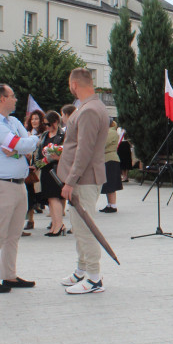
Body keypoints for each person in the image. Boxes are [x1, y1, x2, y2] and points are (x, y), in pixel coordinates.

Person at [0, 84, 39, 294]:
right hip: (0, 185)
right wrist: (23, 146)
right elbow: (22, 145)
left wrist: (20, 147)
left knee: (13, 234)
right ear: (2, 99)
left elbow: (27, 143)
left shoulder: (12, 121)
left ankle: (9, 275)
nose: (16, 99)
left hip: (19, 183)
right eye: (12, 96)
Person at [57, 69, 109, 294]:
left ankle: (95, 278)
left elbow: (84, 150)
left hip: (84, 179)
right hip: (83, 178)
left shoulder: (88, 110)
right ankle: (82, 269)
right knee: (79, 227)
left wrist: (70, 180)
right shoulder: (90, 107)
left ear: (74, 84)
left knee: (84, 227)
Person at [36, 111, 67, 236]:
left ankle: (59, 225)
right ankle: (55, 224)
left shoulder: (62, 135)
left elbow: (67, 152)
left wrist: (55, 157)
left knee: (55, 197)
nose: (47, 127)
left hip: (56, 169)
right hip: (45, 169)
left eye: (48, 124)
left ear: (55, 122)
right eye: (45, 124)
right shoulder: (44, 134)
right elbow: (39, 150)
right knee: (50, 198)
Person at [23, 109, 46, 232]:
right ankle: (30, 219)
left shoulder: (44, 134)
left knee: (42, 193)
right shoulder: (26, 133)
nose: (34, 121)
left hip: (39, 166)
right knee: (30, 193)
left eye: (36, 119)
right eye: (32, 119)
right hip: (28, 167)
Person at [99, 118, 122, 213]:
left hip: (111, 159)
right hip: (106, 159)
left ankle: (113, 205)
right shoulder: (107, 132)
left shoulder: (111, 132)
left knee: (111, 183)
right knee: (107, 183)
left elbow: (103, 143)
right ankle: (109, 204)